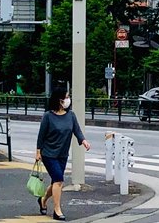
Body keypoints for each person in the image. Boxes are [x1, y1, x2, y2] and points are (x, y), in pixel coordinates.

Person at [35, 87, 90, 220]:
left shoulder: (71, 115)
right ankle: (57, 210)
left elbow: (77, 130)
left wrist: (83, 141)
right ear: (59, 100)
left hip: (62, 154)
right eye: (66, 97)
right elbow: (41, 136)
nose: (68, 99)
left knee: (56, 181)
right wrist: (38, 152)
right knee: (59, 180)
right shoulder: (48, 116)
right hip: (48, 154)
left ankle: (43, 199)